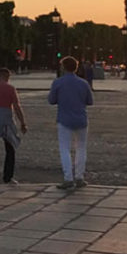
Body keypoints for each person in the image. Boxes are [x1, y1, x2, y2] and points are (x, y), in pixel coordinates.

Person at [48, 56, 94, 191]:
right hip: (81, 118)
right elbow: (90, 101)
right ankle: (80, 177)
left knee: (65, 149)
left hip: (64, 118)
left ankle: (68, 178)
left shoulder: (58, 82)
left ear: (63, 67)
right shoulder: (83, 83)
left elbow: (51, 100)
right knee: (81, 148)